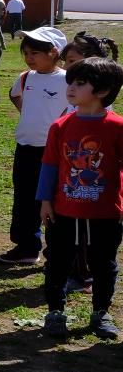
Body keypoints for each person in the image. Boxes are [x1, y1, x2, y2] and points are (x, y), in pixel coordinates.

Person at [38, 58, 123, 340]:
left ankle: (101, 312)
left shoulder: (117, 127)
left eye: (80, 83)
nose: (71, 87)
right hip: (64, 210)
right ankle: (55, 313)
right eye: (70, 82)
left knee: (104, 263)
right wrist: (45, 200)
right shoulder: (60, 127)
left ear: (102, 90)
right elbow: (50, 165)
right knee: (58, 262)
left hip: (105, 212)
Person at [0, 27, 68, 265]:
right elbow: (14, 95)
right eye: (26, 53)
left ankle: (56, 252)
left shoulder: (67, 80)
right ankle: (26, 247)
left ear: (54, 52)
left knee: (52, 201)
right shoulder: (26, 77)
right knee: (24, 198)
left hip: (52, 152)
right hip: (25, 147)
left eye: (35, 53)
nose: (29, 58)